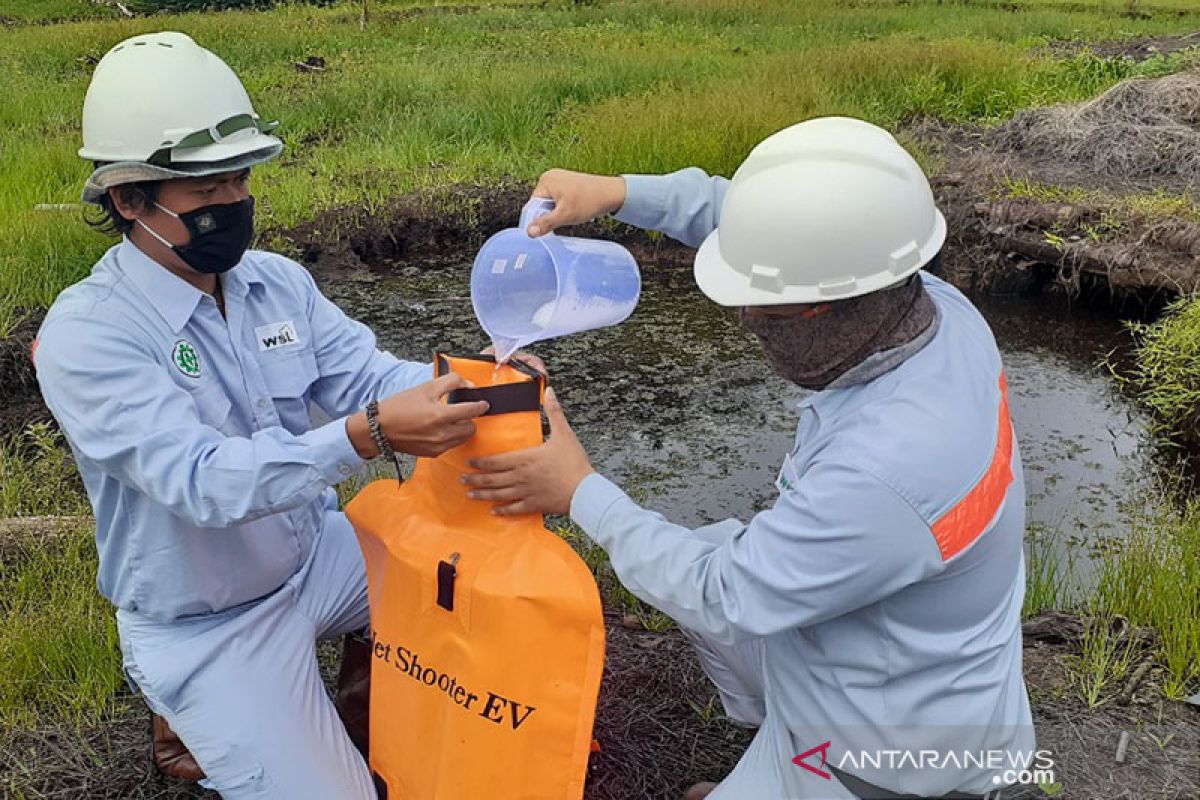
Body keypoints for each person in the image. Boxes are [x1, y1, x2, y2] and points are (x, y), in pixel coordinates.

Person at [464, 117, 1034, 799]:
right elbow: (758, 228)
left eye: (765, 312)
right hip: (896, 665)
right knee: (697, 551)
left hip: (887, 757)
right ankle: (774, 746)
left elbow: (726, 595)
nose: (748, 321)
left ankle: (792, 773)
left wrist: (579, 489)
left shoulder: (890, 469)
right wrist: (617, 193)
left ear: (829, 309)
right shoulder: (928, 302)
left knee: (704, 577)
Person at [33, 32, 519, 799]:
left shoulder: (274, 284)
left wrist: (482, 385)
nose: (232, 202)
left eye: (239, 179)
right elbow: (201, 483)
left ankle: (372, 704)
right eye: (204, 191)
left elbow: (365, 374)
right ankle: (196, 712)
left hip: (312, 558)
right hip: (207, 620)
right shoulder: (90, 334)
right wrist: (372, 432)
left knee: (482, 573)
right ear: (130, 200)